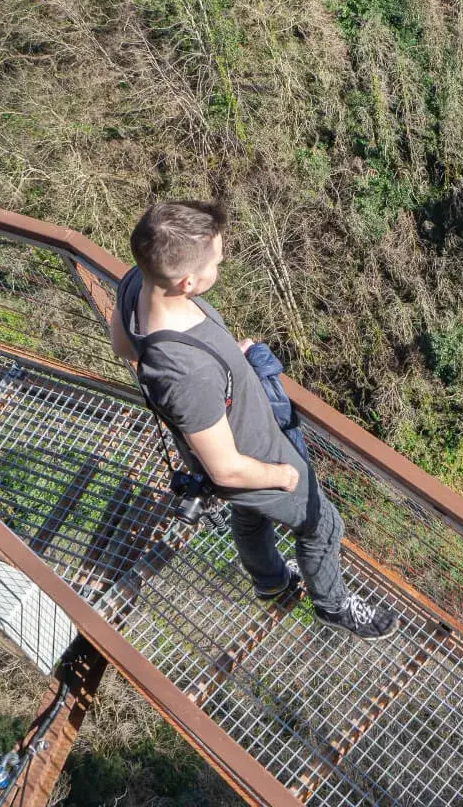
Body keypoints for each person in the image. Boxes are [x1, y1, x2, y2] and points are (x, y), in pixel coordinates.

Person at [107, 199, 397, 640]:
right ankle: (332, 605)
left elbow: (124, 348)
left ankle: (270, 581)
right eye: (216, 264)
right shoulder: (186, 373)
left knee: (250, 514)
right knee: (323, 522)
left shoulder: (137, 283)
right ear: (187, 281)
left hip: (237, 436)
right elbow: (226, 468)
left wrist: (231, 366)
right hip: (251, 457)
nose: (220, 267)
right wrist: (280, 476)